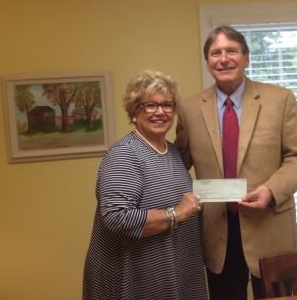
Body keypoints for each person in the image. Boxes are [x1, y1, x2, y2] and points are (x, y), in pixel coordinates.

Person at [175, 26, 297, 300]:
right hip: (218, 237)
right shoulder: (189, 109)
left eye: (232, 51)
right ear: (207, 62)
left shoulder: (280, 99)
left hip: (271, 229)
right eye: (216, 53)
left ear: (247, 58)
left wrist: (271, 191)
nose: (223, 58)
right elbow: (178, 164)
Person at [83, 69, 207, 300]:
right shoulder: (124, 155)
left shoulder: (172, 152)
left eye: (167, 105)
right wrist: (177, 214)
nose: (160, 112)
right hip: (135, 279)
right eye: (150, 105)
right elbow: (117, 217)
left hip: (174, 272)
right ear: (134, 110)